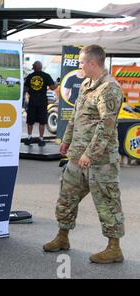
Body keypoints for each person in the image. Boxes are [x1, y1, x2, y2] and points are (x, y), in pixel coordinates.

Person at [43, 45, 125, 264]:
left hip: (100, 160)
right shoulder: (87, 84)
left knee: (107, 202)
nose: (79, 66)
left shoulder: (110, 88)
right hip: (77, 156)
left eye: (81, 62)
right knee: (66, 197)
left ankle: (114, 248)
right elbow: (76, 116)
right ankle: (62, 237)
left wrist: (90, 153)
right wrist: (67, 140)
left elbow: (106, 126)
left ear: (92, 63)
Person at [24, 61, 58, 146]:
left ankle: (29, 138)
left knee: (30, 121)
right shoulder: (46, 76)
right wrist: (57, 83)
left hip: (32, 101)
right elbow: (52, 87)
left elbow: (25, 89)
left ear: (34, 68)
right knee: (42, 121)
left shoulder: (30, 76)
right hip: (42, 101)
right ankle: (41, 140)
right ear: (41, 67)